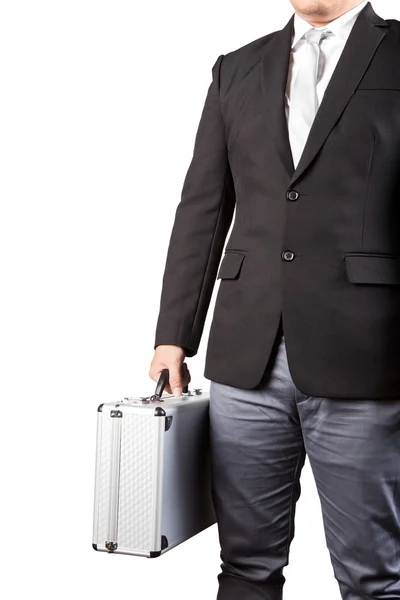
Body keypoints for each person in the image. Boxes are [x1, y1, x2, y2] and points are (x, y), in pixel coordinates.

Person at [150, 1, 400, 598]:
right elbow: (203, 209)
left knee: (374, 576)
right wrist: (173, 334)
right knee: (244, 565)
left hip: (368, 354)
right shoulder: (235, 68)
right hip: (247, 356)